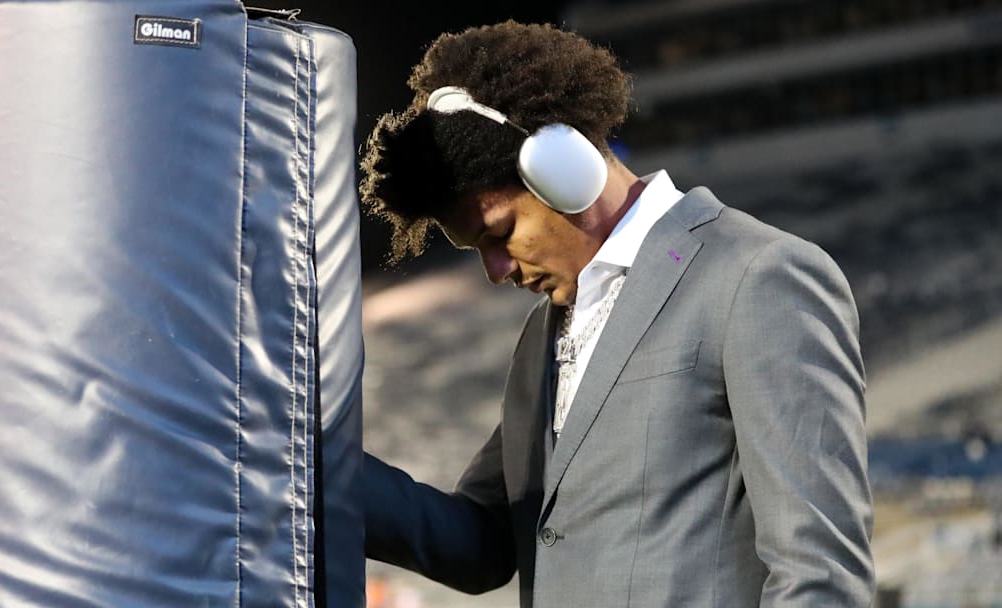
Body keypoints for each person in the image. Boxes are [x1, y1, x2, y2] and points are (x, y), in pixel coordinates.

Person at [359, 21, 875, 608]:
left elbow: (821, 578)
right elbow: (482, 542)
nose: (496, 272)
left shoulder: (758, 276)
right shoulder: (542, 336)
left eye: (500, 234)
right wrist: (314, 468)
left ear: (563, 168)